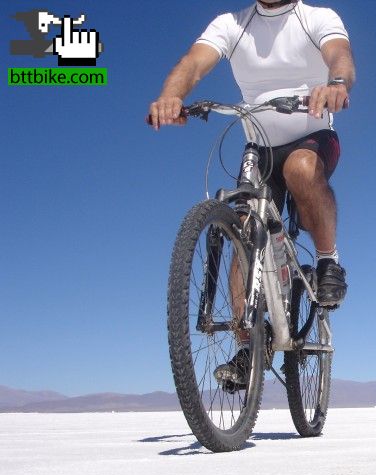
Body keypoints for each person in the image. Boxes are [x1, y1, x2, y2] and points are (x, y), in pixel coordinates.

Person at [148, 0, 355, 390]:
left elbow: (339, 55)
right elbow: (193, 63)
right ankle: (251, 346)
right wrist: (170, 96)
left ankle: (328, 261)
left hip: (311, 136)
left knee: (300, 170)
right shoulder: (231, 24)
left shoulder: (316, 17)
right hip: (257, 145)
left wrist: (337, 84)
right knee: (242, 224)